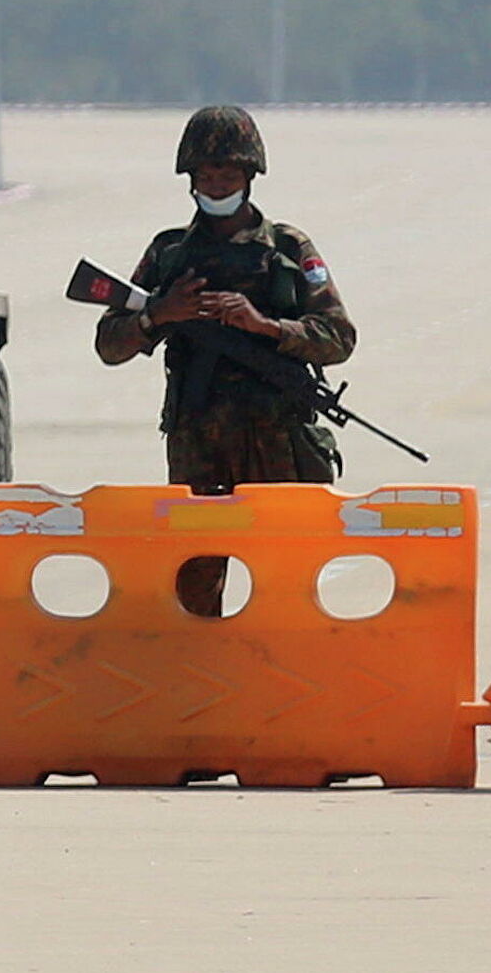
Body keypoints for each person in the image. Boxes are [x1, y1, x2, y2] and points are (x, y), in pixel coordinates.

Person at [95, 106, 356, 612]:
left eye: (228, 177)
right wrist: (159, 314)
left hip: (277, 440)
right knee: (193, 583)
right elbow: (109, 344)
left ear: (249, 177)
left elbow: (338, 337)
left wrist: (266, 326)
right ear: (190, 179)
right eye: (207, 177)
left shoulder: (287, 248)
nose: (217, 187)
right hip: (199, 445)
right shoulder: (169, 254)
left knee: (286, 586)